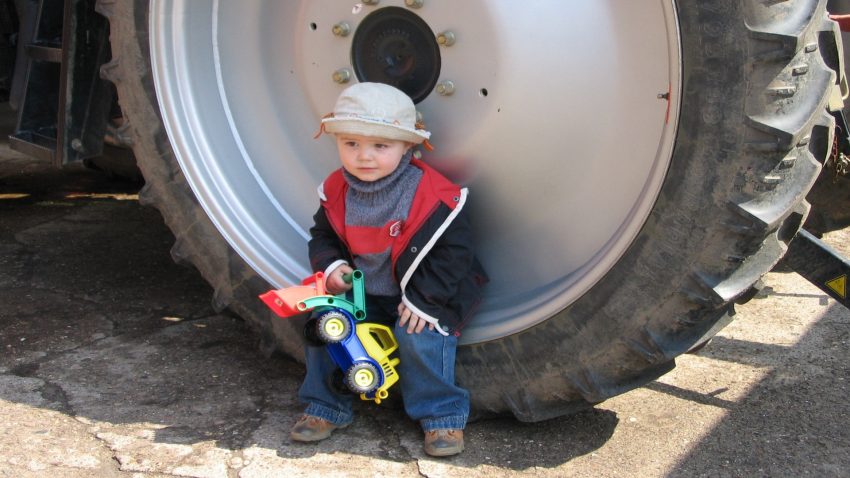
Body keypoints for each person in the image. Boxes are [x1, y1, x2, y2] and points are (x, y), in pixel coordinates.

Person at [291, 82, 488, 457]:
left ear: (408, 147)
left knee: (420, 333)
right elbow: (323, 235)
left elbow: (454, 254)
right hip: (364, 292)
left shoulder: (432, 194)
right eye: (351, 144)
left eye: (380, 146)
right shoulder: (335, 190)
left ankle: (441, 415)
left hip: (421, 292)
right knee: (326, 322)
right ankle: (325, 405)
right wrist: (332, 266)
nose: (364, 156)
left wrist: (425, 301)